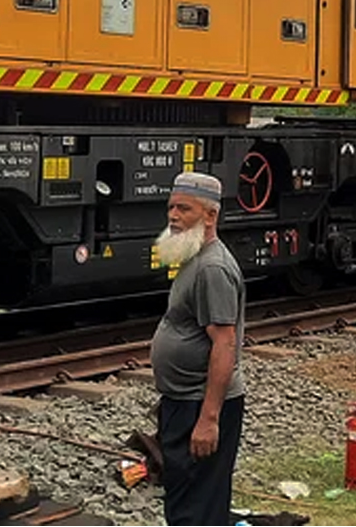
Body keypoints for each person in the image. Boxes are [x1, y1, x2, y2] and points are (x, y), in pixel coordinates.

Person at [150, 172, 247, 526]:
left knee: (198, 504)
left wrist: (208, 419)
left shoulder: (213, 268)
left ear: (211, 215)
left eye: (184, 209)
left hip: (199, 405)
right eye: (171, 208)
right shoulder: (193, 257)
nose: (173, 216)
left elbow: (224, 343)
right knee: (185, 494)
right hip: (184, 400)